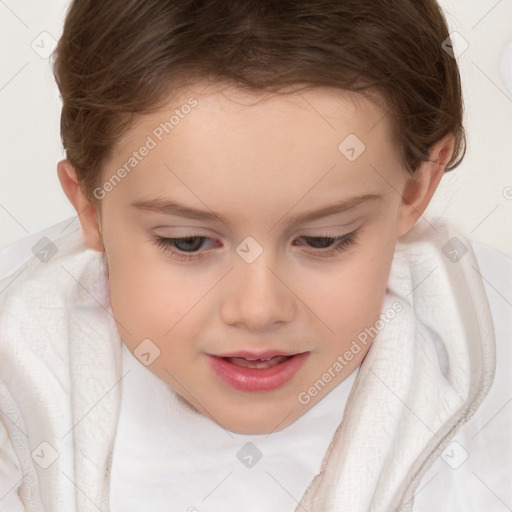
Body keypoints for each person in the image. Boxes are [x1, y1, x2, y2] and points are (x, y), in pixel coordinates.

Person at [0, 1, 510, 510]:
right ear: (90, 205)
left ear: (415, 189)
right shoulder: (18, 371)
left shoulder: (490, 377)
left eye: (324, 239)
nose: (259, 309)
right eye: (188, 242)